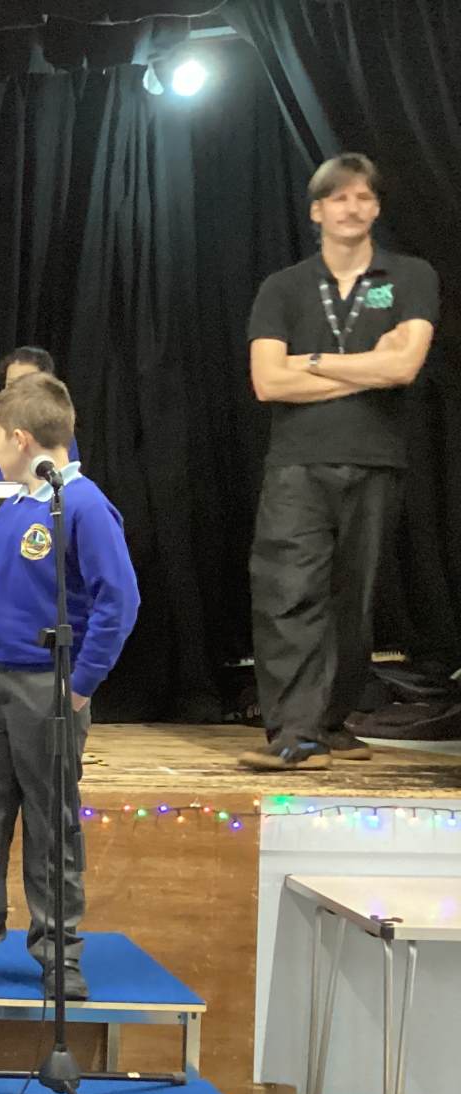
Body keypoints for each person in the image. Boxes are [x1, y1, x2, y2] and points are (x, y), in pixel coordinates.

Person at [0, 373, 139, 1002]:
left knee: (52, 823)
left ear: (21, 439)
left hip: (44, 685)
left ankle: (58, 950)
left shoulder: (82, 506)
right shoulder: (14, 507)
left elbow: (118, 603)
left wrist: (81, 684)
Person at [243, 152, 439, 771]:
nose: (352, 208)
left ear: (376, 208)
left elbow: (404, 366)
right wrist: (365, 366)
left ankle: (329, 721)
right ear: (317, 211)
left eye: (363, 197)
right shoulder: (284, 286)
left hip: (375, 458)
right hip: (298, 463)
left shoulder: (409, 276)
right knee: (288, 592)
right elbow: (268, 381)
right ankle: (294, 733)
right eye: (339, 197)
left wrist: (312, 362)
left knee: (353, 601)